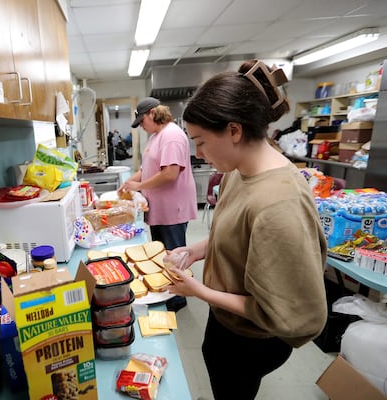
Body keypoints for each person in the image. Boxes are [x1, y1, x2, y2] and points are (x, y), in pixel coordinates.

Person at [166, 60, 328, 399]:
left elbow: (280, 313)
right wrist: (194, 251)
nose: (198, 154)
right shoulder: (237, 172)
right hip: (226, 322)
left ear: (234, 130)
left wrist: (198, 291)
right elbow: (235, 232)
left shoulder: (279, 203)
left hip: (251, 340)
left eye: (201, 142)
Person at [118, 97, 197, 312]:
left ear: (153, 113)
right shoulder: (156, 136)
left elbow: (170, 174)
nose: (142, 127)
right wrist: (131, 182)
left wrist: (140, 186)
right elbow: (147, 169)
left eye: (142, 121)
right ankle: (165, 291)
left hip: (173, 208)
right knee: (160, 254)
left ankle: (177, 299)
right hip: (160, 207)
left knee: (172, 254)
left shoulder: (171, 136)